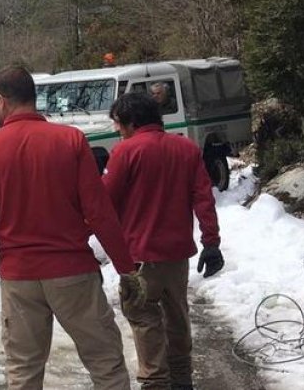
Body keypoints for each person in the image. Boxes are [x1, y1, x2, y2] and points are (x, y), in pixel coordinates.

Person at [0, 66, 145, 390]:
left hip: (19, 278)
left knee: (22, 372)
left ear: (2, 101)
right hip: (73, 273)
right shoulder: (70, 140)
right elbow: (100, 212)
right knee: (106, 364)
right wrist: (126, 268)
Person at [103, 92, 224, 390]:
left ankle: (155, 383)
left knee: (144, 320)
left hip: (139, 259)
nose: (117, 130)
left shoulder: (125, 152)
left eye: (118, 124)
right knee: (177, 318)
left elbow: (105, 202)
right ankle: (182, 381)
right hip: (177, 256)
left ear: (131, 122)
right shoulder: (186, 149)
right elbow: (203, 197)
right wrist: (211, 242)